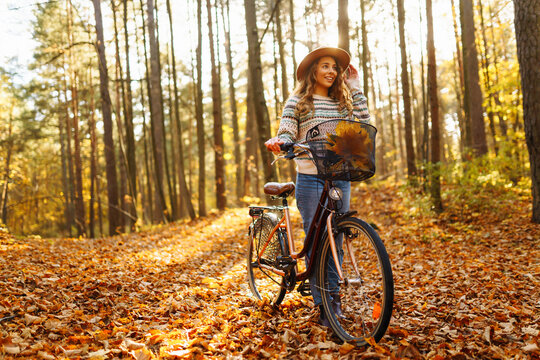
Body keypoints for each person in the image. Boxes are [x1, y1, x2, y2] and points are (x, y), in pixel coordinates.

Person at [264, 46, 371, 326]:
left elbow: (364, 121)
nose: (331, 72)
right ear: (314, 70)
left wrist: (355, 85)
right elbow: (287, 129)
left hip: (339, 174)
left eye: (335, 68)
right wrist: (281, 141)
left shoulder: (342, 101)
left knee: (335, 238)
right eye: (325, 66)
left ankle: (334, 301)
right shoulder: (299, 100)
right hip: (310, 176)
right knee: (317, 240)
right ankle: (324, 305)